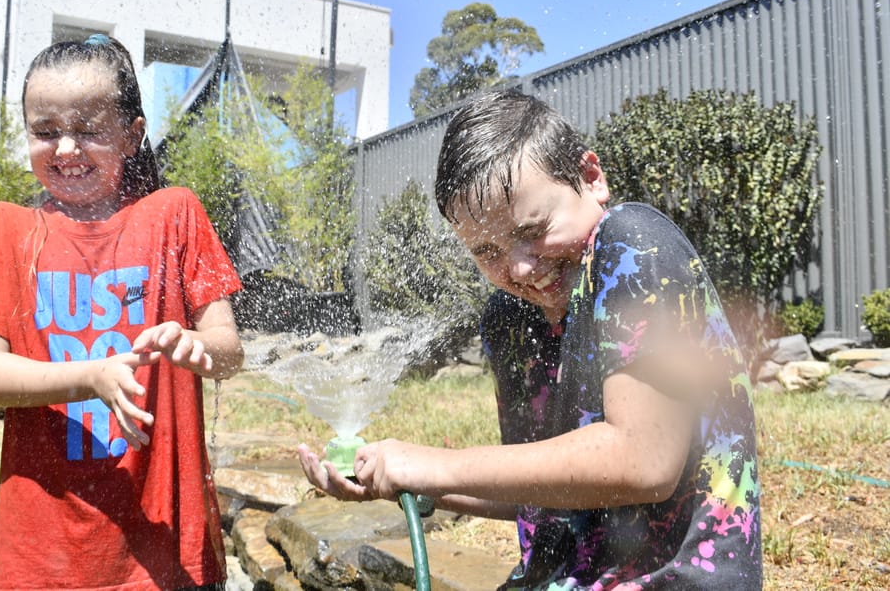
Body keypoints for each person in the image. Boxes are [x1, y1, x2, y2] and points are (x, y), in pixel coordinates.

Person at [298, 89, 761, 589]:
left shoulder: (634, 244)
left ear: (591, 177)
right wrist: (405, 481)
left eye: (534, 228)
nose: (519, 266)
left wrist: (435, 463)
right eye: (487, 251)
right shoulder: (511, 318)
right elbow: (543, 490)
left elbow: (644, 459)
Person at [0, 34, 244, 591]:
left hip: (163, 548)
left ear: (132, 135)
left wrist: (199, 349)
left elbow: (228, 353)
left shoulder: (175, 213)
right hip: (42, 555)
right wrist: (91, 376)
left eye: (90, 131)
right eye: (45, 132)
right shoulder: (4, 229)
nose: (66, 149)